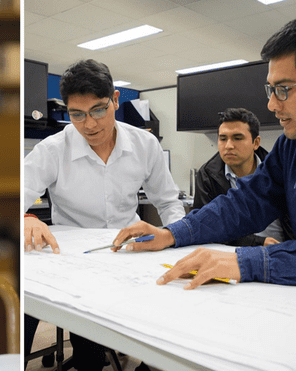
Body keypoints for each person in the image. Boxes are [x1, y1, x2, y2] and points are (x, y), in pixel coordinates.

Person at [112, 10, 296, 290]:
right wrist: (171, 233)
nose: (272, 105)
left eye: (284, 89)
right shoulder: (292, 146)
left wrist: (246, 261)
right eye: (270, 90)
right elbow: (245, 204)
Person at [24, 59, 185, 371]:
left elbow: (168, 202)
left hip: (126, 255)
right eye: (77, 115)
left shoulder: (144, 144)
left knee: (168, 314)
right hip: (70, 261)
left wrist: (177, 235)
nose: (90, 124)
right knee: (31, 301)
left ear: (115, 100)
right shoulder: (53, 149)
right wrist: (27, 219)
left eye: (98, 110)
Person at [194, 107, 290, 246]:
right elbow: (206, 229)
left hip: (283, 252)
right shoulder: (207, 175)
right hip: (234, 254)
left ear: (256, 143)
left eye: (237, 138)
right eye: (223, 139)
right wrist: (257, 242)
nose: (229, 146)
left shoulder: (279, 170)